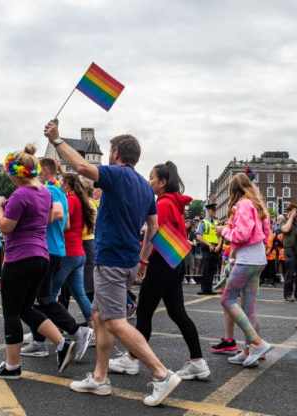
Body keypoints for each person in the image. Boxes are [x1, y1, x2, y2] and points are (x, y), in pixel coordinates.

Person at [45, 121, 182, 406]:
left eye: (110, 151)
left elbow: (83, 168)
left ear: (117, 153)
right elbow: (153, 226)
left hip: (111, 258)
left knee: (116, 322)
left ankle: (161, 373)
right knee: (99, 318)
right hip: (129, 258)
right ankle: (99, 377)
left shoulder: (117, 175)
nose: (108, 156)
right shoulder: (146, 188)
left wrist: (57, 141)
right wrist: (143, 257)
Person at [109, 161, 209, 380]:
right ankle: (198, 361)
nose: (149, 181)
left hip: (161, 264)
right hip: (173, 262)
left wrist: (142, 263)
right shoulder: (172, 202)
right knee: (177, 312)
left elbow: (152, 235)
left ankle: (132, 360)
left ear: (162, 182)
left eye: (152, 177)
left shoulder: (163, 204)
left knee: (144, 312)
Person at [0, 144, 77, 380]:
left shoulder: (20, 194)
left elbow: (6, 226)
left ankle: (12, 366)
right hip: (41, 256)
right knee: (26, 308)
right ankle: (62, 343)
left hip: (19, 257)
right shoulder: (45, 192)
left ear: (15, 173)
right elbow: (44, 220)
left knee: (11, 312)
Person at [21, 158, 93, 361]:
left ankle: (53, 337)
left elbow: (61, 215)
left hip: (50, 250)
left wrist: (30, 223)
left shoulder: (50, 191)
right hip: (60, 250)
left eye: (37, 169)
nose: (34, 173)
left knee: (41, 299)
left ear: (44, 170)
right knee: (47, 298)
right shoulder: (60, 192)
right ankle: (45, 337)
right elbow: (67, 222)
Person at [212, 173, 273, 368]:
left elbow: (242, 234)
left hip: (247, 260)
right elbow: (265, 234)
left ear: (233, 190)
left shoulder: (244, 205)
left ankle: (258, 344)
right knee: (249, 308)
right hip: (258, 258)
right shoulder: (257, 204)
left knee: (227, 299)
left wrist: (224, 232)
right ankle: (249, 352)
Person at [51, 173, 94, 323]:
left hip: (68, 252)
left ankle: (44, 332)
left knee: (50, 294)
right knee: (79, 293)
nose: (59, 185)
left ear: (67, 185)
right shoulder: (81, 200)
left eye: (61, 183)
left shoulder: (70, 200)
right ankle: (95, 328)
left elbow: (66, 224)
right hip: (78, 253)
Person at [196, 203, 221, 295]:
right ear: (209, 211)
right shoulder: (203, 222)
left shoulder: (216, 222)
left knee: (212, 269)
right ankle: (204, 289)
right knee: (206, 269)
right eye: (213, 210)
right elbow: (199, 236)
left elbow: (220, 235)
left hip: (215, 248)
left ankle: (209, 289)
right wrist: (209, 245)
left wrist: (219, 245)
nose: (215, 212)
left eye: (215, 210)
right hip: (207, 248)